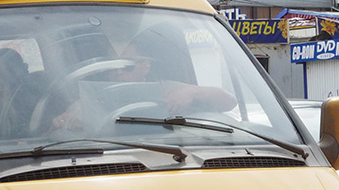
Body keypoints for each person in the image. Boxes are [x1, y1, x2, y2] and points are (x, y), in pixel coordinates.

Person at [49, 27, 236, 131]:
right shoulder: (93, 98)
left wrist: (192, 91)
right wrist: (63, 122)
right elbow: (56, 132)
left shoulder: (167, 89)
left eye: (127, 65)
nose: (119, 72)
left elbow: (229, 102)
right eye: (112, 66)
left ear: (145, 66)